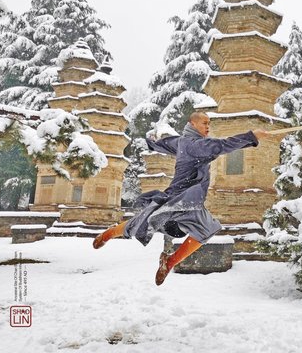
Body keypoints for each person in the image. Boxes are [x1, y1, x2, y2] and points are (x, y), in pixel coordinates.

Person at [93, 112, 270, 285]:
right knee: (144, 223)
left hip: (192, 200)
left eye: (209, 123)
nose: (208, 126)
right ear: (193, 124)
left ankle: (169, 262)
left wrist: (153, 143)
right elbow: (221, 145)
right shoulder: (194, 144)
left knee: (205, 230)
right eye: (204, 123)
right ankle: (109, 234)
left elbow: (167, 144)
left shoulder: (182, 142)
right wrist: (251, 136)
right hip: (180, 197)